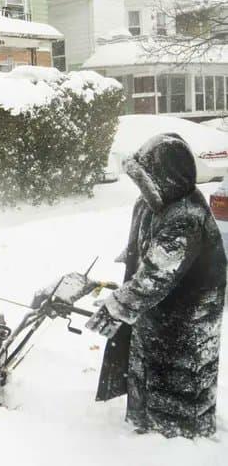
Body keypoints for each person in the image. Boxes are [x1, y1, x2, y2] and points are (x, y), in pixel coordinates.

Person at [86, 133, 226, 438]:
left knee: (179, 382)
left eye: (146, 179)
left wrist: (119, 305)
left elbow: (158, 275)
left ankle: (176, 441)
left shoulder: (185, 217)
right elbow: (151, 247)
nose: (142, 187)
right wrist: (133, 254)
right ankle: (152, 425)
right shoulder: (158, 201)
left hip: (188, 315)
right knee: (151, 367)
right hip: (163, 308)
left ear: (166, 177)